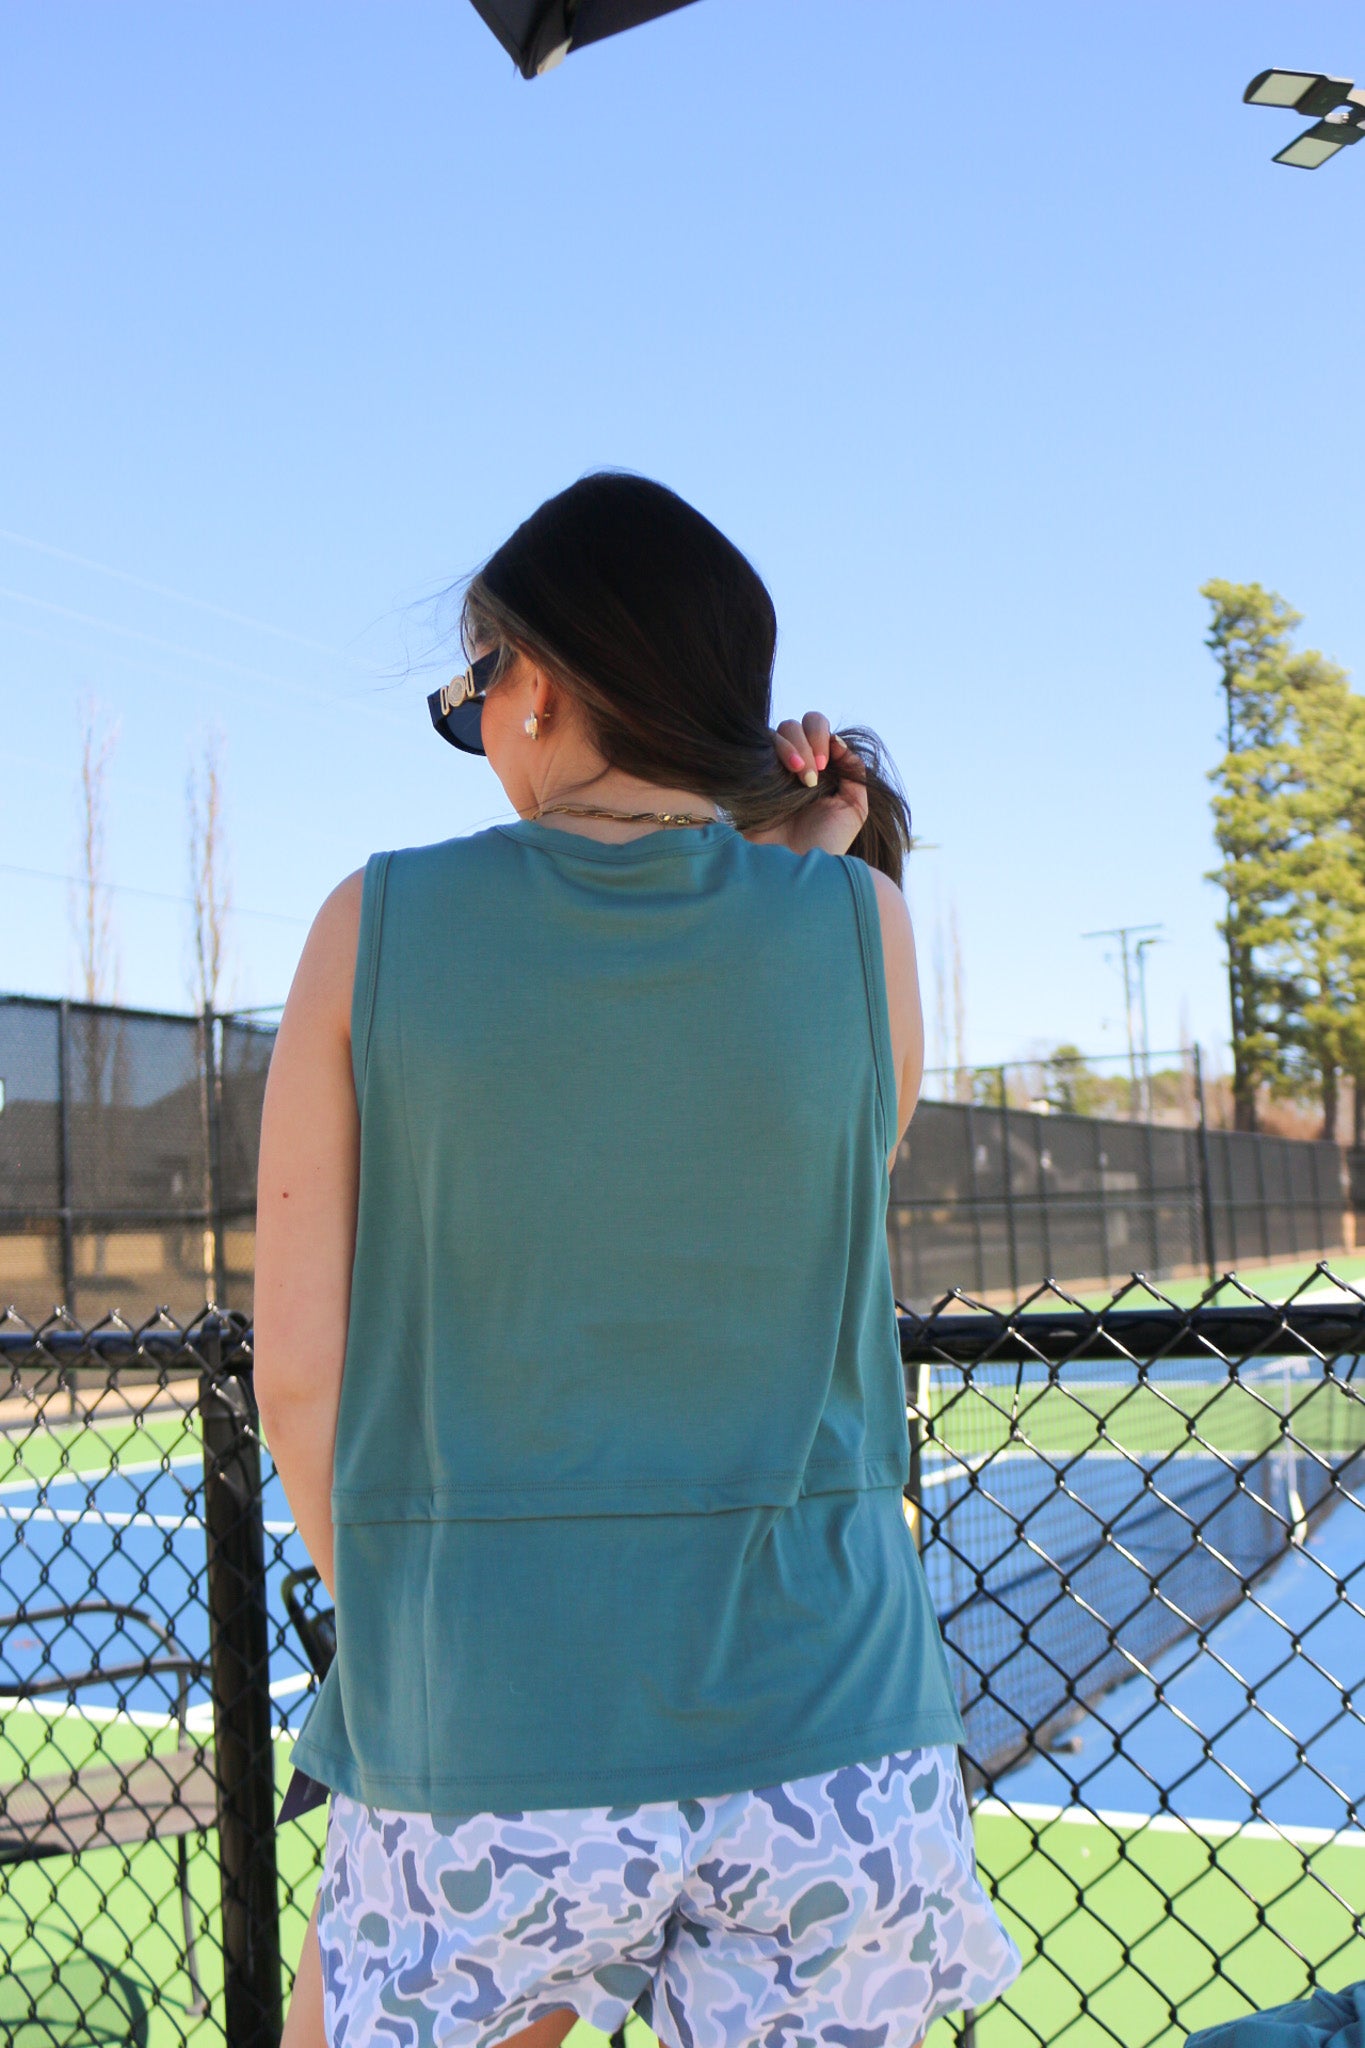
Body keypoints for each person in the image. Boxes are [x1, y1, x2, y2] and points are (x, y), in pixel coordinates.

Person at [255, 473, 1020, 2048]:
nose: (480, 727)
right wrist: (807, 858)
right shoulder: (859, 926)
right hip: (834, 1736)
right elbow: (825, 1165)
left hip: (489, 1719)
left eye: (471, 692)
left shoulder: (372, 924)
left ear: (534, 680)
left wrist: (425, 1639)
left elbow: (303, 1377)